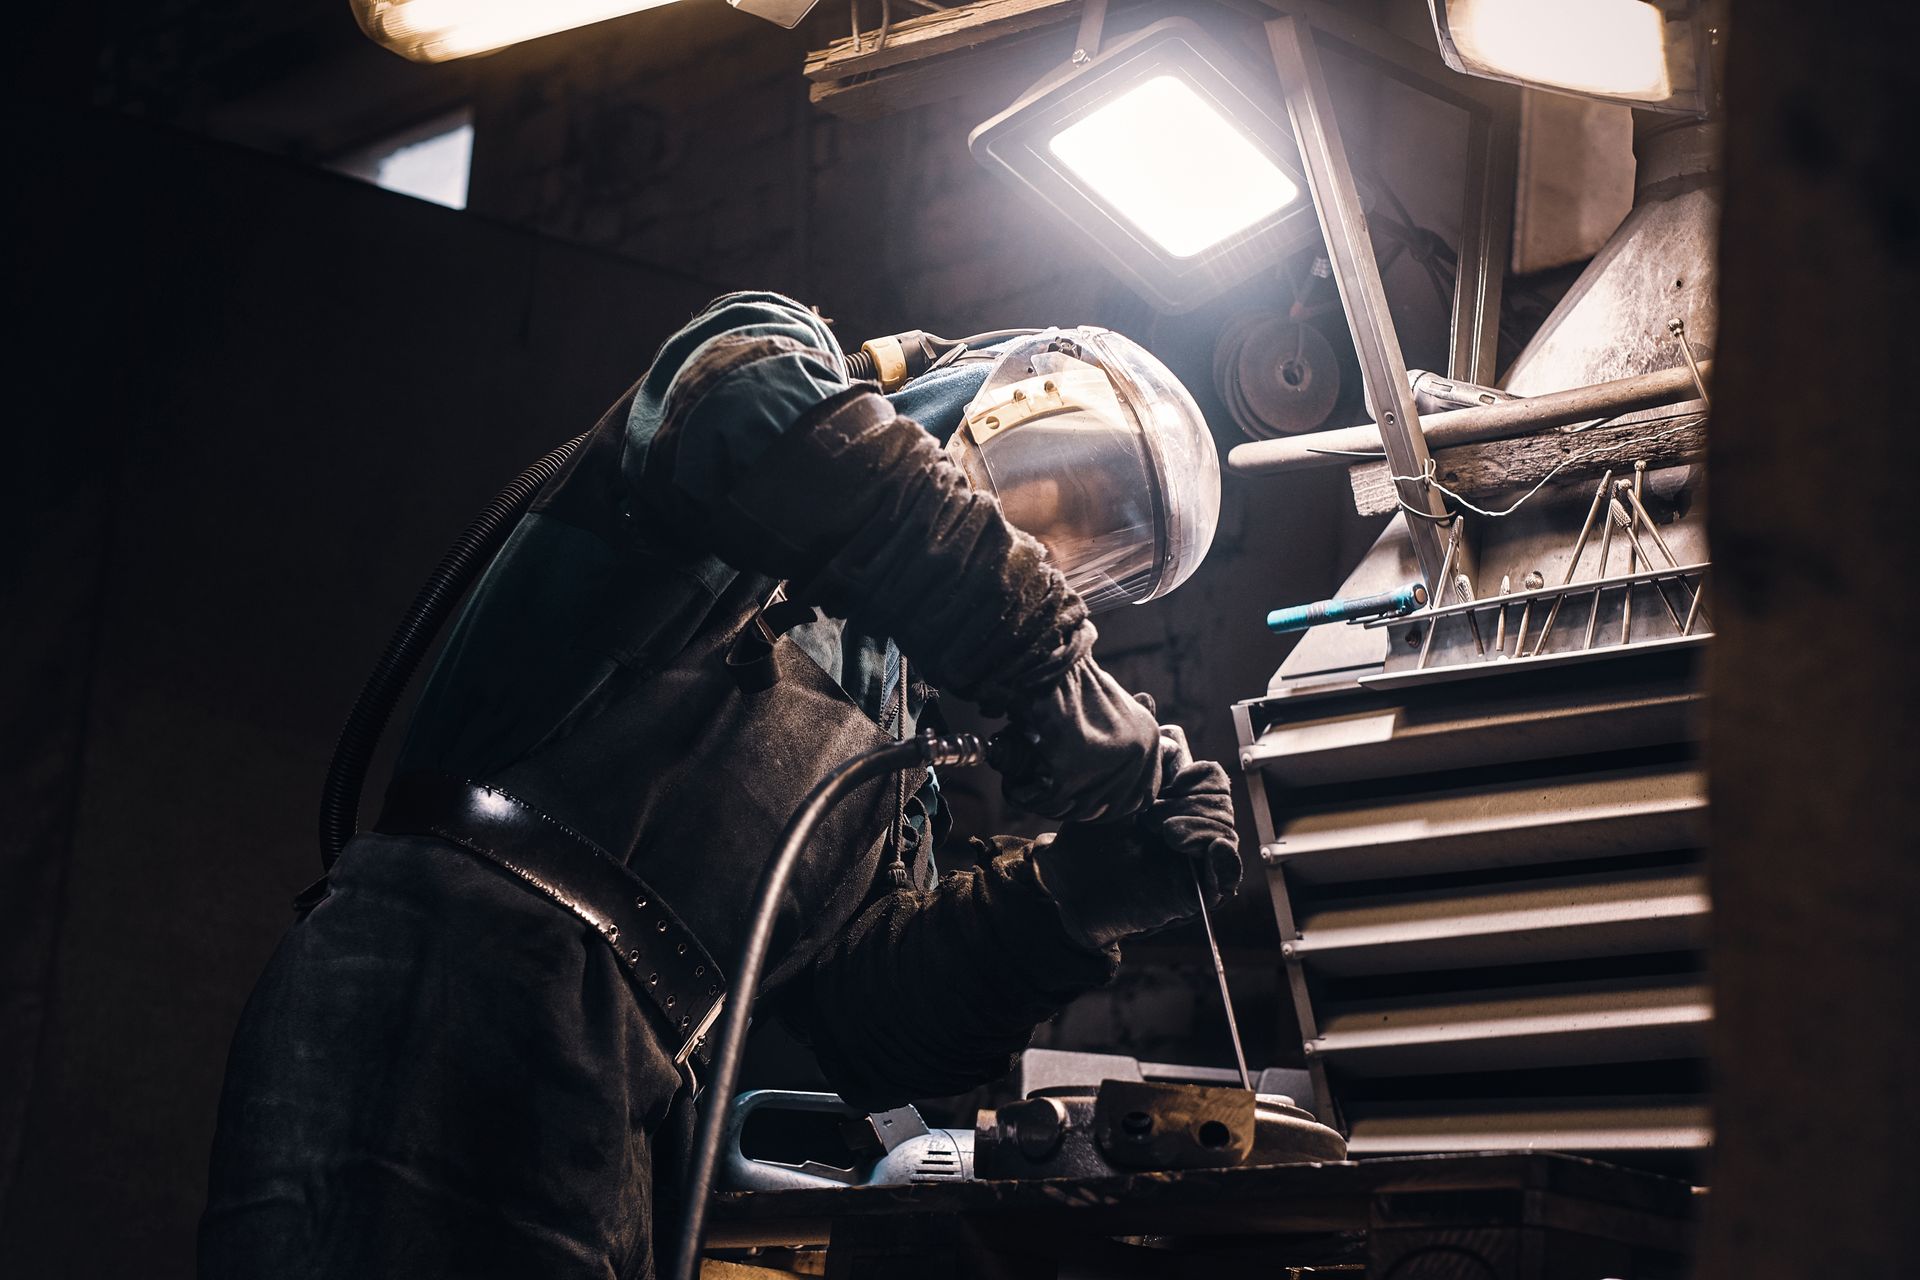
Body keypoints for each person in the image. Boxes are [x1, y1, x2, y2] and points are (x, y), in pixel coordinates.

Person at [199, 292, 1242, 1280]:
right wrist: (1044, 656)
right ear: (1010, 385)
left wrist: (1077, 896)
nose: (1052, 539)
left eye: (1097, 553)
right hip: (449, 985)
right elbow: (741, 409)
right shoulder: (774, 366)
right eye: (1070, 480)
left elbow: (864, 1020)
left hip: (634, 1079)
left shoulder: (895, 723)